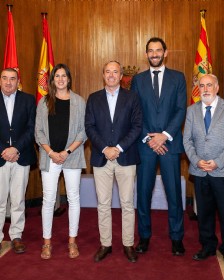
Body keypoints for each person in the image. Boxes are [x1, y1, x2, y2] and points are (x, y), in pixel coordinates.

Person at [131, 37, 187, 256]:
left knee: (174, 194)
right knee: (143, 193)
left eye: (158, 50)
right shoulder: (138, 80)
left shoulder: (178, 77)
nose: (154, 54)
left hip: (169, 144)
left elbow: (181, 109)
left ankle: (176, 238)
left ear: (166, 52)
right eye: (151, 51)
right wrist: (149, 138)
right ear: (146, 54)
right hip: (145, 145)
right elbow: (135, 112)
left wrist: (163, 136)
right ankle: (144, 237)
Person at [85, 61, 142, 263]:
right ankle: (105, 244)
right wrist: (105, 148)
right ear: (103, 75)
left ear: (120, 76)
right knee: (103, 204)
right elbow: (89, 127)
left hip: (126, 157)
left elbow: (137, 126)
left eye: (115, 72)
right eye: (107, 71)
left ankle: (128, 244)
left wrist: (117, 148)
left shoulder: (132, 98)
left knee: (127, 204)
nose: (111, 75)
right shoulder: (93, 99)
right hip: (101, 158)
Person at [183, 74, 224, 268]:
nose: (206, 89)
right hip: (200, 171)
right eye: (202, 86)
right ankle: (208, 246)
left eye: (209, 85)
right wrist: (197, 160)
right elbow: (187, 140)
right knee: (205, 213)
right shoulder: (191, 110)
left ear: (217, 88)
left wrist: (217, 162)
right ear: (198, 89)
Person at [35, 63, 86, 260]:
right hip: (50, 158)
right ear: (52, 79)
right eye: (57, 76)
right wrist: (50, 152)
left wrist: (66, 151)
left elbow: (83, 131)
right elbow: (38, 131)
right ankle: (46, 242)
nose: (61, 79)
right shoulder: (44, 102)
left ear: (69, 78)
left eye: (64, 76)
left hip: (71, 156)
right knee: (48, 200)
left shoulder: (79, 101)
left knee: (73, 198)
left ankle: (72, 241)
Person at [0, 68, 36, 254]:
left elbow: (32, 128)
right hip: (0, 158)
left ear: (18, 81)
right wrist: (4, 151)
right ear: (0, 80)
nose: (8, 82)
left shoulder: (28, 100)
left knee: (18, 199)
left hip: (21, 156)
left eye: (12, 79)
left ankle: (16, 236)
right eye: (5, 78)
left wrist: (16, 149)